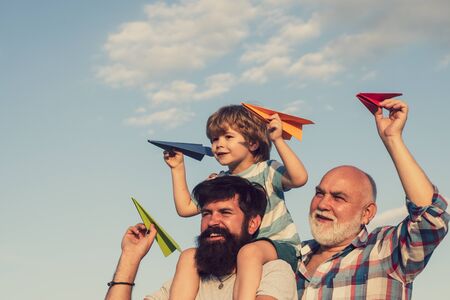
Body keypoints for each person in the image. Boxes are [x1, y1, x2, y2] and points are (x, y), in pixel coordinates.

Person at [297, 99, 449, 299]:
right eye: (319, 193)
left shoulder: (386, 251)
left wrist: (392, 138)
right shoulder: (291, 256)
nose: (323, 204)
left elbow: (432, 216)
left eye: (338, 198)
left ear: (367, 213)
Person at [164, 105, 308, 299]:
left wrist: (278, 140)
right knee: (189, 256)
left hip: (278, 246)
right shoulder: (221, 182)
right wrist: (177, 168)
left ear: (253, 143)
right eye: (214, 139)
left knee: (249, 253)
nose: (218, 144)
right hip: (240, 252)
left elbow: (299, 178)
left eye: (227, 137)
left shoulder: (267, 170)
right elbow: (185, 208)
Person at [105, 176, 298, 300]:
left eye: (225, 212)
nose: (213, 221)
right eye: (206, 213)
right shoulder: (185, 279)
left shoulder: (274, 272)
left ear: (252, 223)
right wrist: (130, 258)